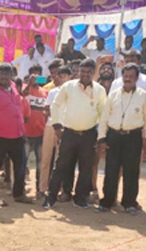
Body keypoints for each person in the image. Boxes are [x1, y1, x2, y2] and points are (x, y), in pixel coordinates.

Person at [44, 59, 107, 209]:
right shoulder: (68, 87)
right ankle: (51, 196)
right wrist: (57, 125)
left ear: (93, 73)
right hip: (69, 132)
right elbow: (56, 105)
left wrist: (101, 136)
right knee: (61, 165)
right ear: (78, 71)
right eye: (82, 71)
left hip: (89, 134)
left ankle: (80, 198)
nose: (85, 74)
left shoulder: (99, 90)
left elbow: (103, 114)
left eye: (88, 72)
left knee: (86, 167)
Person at [96, 63, 146, 213]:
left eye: (131, 76)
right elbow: (104, 118)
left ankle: (129, 203)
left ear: (136, 78)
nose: (128, 79)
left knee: (131, 171)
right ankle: (107, 201)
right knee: (111, 170)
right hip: (114, 135)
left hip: (133, 136)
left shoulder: (143, 96)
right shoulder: (113, 94)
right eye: (125, 76)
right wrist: (102, 138)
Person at [0, 62, 33, 206]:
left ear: (11, 75)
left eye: (7, 74)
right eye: (1, 73)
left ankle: (18, 194)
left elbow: (17, 111)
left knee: (20, 165)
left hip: (17, 135)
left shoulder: (13, 87)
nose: (4, 76)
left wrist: (22, 131)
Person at [39, 66, 72, 197]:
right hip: (51, 126)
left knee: (63, 160)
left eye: (65, 76)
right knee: (46, 158)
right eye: (60, 76)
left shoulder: (73, 93)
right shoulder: (53, 92)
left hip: (67, 127)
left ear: (70, 77)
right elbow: (46, 109)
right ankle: (42, 188)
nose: (62, 78)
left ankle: (61, 189)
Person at [23, 72, 47, 196]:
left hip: (41, 133)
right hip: (26, 133)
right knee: (23, 162)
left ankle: (40, 189)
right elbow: (23, 94)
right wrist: (29, 84)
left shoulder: (45, 92)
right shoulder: (25, 88)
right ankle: (21, 188)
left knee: (40, 164)